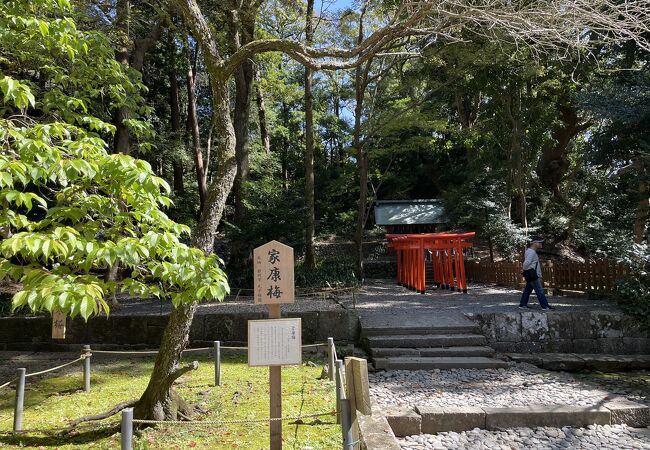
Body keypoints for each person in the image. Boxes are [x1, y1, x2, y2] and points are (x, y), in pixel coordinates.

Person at [519, 236, 555, 310]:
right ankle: (545, 306)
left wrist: (525, 271)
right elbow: (526, 263)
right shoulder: (531, 252)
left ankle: (523, 305)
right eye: (539, 242)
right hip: (533, 275)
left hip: (530, 274)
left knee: (527, 290)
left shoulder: (529, 251)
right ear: (534, 243)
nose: (541, 243)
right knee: (540, 291)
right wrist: (525, 269)